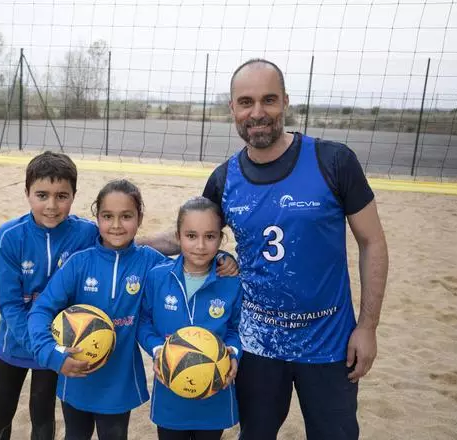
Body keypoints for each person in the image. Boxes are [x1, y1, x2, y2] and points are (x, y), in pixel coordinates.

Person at [139, 59, 389, 440]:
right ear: (233, 109)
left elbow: (372, 241)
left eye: (268, 100)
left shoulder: (333, 161)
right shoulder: (225, 179)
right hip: (257, 346)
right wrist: (124, 240)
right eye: (246, 102)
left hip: (328, 342)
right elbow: (189, 237)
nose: (257, 113)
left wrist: (368, 327)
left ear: (286, 101)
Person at [27, 179, 169, 440]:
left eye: (126, 216)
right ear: (97, 218)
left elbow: (188, 271)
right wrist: (51, 353)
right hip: (75, 374)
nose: (116, 225)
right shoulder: (79, 263)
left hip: (119, 382)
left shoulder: (151, 262)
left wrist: (221, 260)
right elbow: (41, 311)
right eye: (107, 216)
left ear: (139, 218)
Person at [0, 151, 100, 440]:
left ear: (74, 195)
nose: (51, 205)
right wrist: (41, 348)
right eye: (42, 195)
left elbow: (124, 247)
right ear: (27, 193)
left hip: (58, 344)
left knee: (43, 416)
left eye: (62, 196)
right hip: (16, 342)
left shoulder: (86, 233)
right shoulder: (9, 236)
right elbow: (10, 305)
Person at [137, 196, 243, 440]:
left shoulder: (231, 282)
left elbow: (238, 330)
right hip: (170, 392)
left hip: (214, 392)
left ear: (221, 238)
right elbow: (144, 323)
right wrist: (157, 350)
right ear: (178, 236)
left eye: (210, 236)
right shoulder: (158, 277)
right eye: (191, 236)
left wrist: (234, 354)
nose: (200, 246)